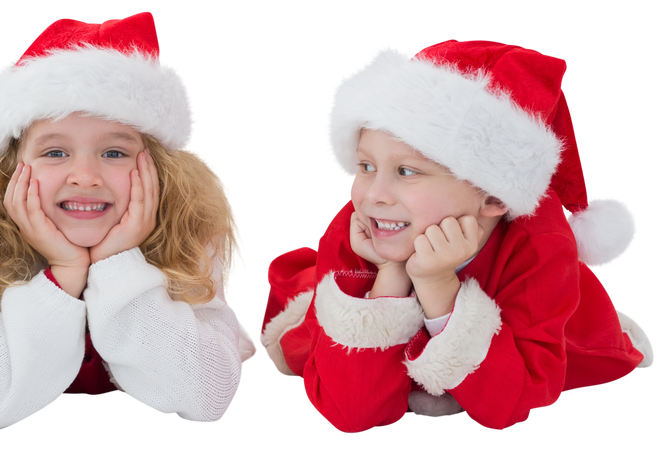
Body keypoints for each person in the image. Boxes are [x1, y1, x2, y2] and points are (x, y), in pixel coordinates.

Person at [258, 38, 655, 434]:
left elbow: (514, 402)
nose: (372, 195)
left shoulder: (541, 244)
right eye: (365, 165)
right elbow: (352, 414)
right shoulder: (355, 229)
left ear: (494, 194)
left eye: (406, 171)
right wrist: (390, 275)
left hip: (530, 323)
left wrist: (438, 286)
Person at [0, 9, 255, 435]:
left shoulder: (184, 234)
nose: (85, 176)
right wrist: (63, 274)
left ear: (160, 171)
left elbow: (207, 399)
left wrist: (118, 263)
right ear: (10, 171)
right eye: (55, 153)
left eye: (114, 153)